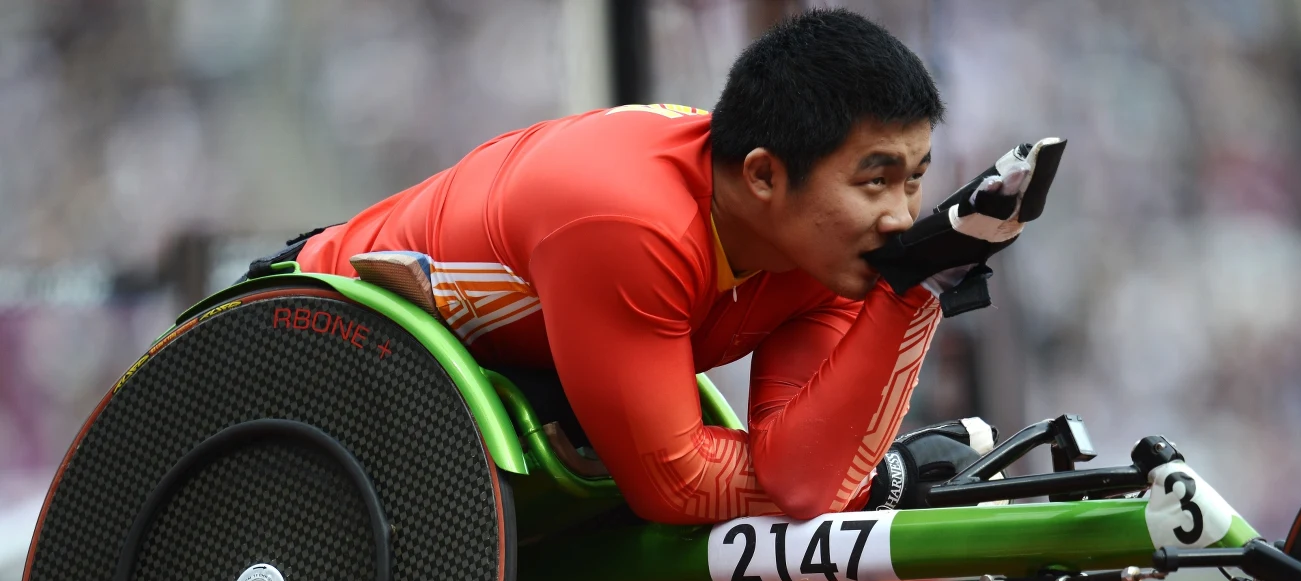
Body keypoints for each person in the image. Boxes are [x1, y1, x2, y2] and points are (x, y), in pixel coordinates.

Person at [282, 8, 1061, 525]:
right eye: (875, 180)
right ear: (764, 175)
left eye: (915, 179)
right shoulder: (630, 222)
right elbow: (677, 484)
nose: (899, 216)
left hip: (481, 388)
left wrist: (918, 287)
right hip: (312, 340)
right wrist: (881, 482)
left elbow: (799, 479)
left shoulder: (822, 251)